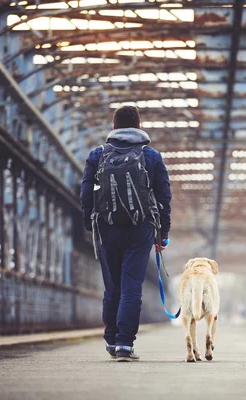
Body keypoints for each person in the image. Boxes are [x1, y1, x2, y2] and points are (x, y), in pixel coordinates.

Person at [80, 105, 172, 362]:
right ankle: (124, 345)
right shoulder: (151, 156)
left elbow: (86, 193)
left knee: (113, 288)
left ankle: (111, 339)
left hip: (107, 228)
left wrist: (90, 224)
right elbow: (164, 197)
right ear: (139, 127)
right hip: (140, 229)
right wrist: (162, 233)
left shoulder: (97, 155)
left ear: (113, 128)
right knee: (132, 287)